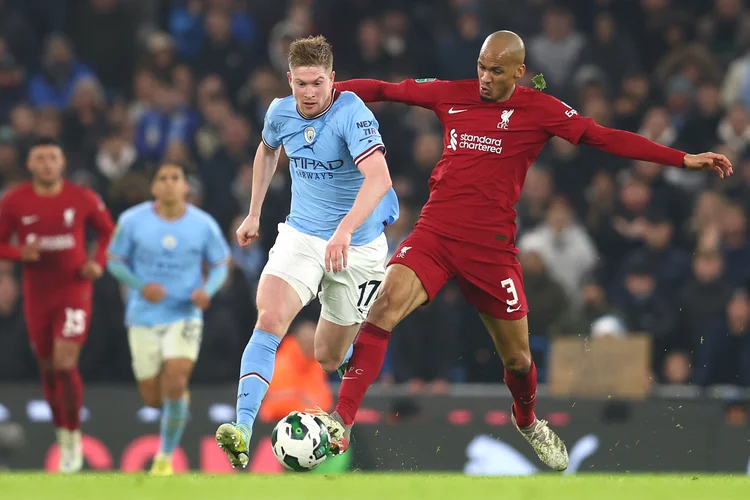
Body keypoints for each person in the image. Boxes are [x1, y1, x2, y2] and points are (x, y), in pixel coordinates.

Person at [318, 30, 733, 471]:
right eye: (481, 67)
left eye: (495, 71)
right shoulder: (452, 95)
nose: (484, 78)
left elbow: (604, 137)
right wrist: (325, 90)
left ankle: (528, 419)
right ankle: (340, 421)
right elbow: (386, 90)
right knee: (382, 307)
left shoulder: (539, 109)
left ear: (519, 71)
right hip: (434, 235)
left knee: (518, 359)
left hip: (491, 250)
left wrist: (681, 158)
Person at [214, 35, 398, 468]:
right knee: (270, 318)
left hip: (358, 246)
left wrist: (345, 231)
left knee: (327, 356)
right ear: (289, 80)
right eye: (301, 84)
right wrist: (254, 212)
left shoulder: (352, 112)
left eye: (318, 83)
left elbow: (380, 179)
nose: (310, 93)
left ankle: (355, 381)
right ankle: (240, 428)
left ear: (332, 79)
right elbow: (266, 149)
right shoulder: (279, 112)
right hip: (301, 235)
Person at [0, 137, 115, 473]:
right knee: (49, 369)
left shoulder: (81, 198)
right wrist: (21, 254)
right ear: (31, 165)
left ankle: (74, 436)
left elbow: (108, 233)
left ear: (62, 162)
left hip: (74, 291)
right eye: (41, 158)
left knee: (65, 364)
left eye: (53, 157)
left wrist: (98, 262)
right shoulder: (15, 202)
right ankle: (63, 435)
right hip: (38, 295)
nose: (47, 163)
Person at [107, 163, 230, 476]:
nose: (170, 183)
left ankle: (164, 457)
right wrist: (140, 286)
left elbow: (220, 263)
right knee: (152, 398)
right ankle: (176, 403)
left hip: (184, 313)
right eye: (163, 178)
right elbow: (114, 260)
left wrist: (208, 289)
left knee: (175, 379)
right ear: (154, 188)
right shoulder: (132, 221)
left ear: (185, 187)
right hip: (143, 315)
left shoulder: (203, 225)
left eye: (176, 178)